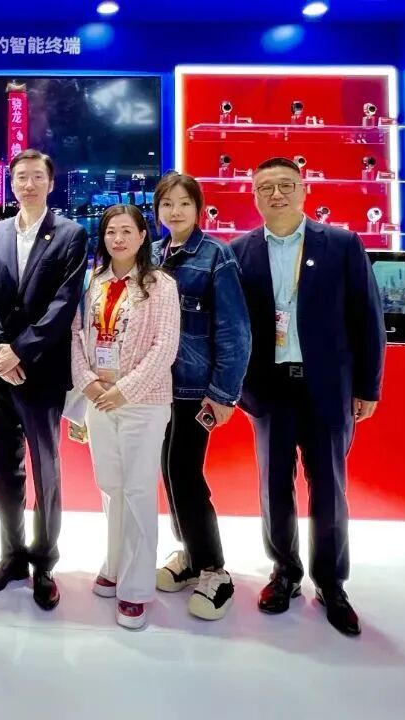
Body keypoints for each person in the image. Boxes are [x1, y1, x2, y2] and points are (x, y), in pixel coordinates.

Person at [231, 157, 385, 636]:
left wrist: (368, 386)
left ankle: (332, 584)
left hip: (326, 388)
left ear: (304, 190)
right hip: (270, 389)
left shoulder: (341, 244)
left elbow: (367, 318)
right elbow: (232, 327)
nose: (276, 194)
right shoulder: (239, 252)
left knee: (330, 489)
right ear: (254, 197)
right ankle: (285, 572)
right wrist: (237, 389)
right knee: (274, 485)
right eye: (265, 188)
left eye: (285, 185)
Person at [0, 149, 88, 611]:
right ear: (11, 183)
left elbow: (65, 303)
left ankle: (44, 563)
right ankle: (11, 555)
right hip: (2, 372)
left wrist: (21, 350)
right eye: (21, 177)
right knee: (4, 469)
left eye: (37, 176)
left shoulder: (71, 235)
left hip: (42, 371)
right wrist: (1, 350)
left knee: (46, 470)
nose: (28, 184)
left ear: (50, 182)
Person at [71, 204, 180, 629]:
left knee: (137, 490)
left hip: (143, 402)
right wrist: (88, 383)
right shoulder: (93, 281)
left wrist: (124, 390)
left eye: (126, 231)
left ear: (142, 236)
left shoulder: (160, 285)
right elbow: (75, 337)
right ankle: (114, 564)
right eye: (110, 232)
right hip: (100, 399)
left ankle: (136, 587)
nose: (117, 239)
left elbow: (164, 346)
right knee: (110, 486)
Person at [151, 172, 251, 621]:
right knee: (169, 471)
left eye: (184, 203)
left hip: (196, 389)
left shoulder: (216, 256)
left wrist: (223, 394)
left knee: (185, 473)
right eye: (167, 204)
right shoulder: (154, 255)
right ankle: (191, 554)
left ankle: (214, 568)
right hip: (157, 387)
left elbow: (235, 331)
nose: (175, 211)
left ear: (198, 208)